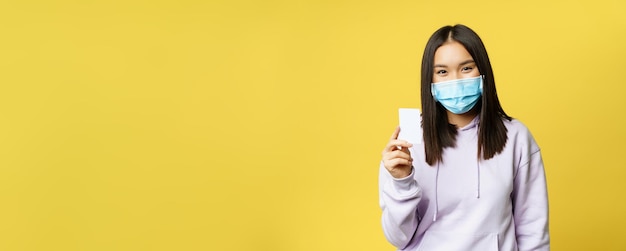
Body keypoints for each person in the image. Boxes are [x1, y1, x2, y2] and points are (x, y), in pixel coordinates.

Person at [379, 24, 549, 251]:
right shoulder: (408, 142)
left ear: (482, 72)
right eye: (442, 72)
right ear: (429, 81)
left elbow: (533, 230)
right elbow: (398, 238)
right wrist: (402, 182)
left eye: (466, 68)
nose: (455, 80)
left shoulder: (516, 137)